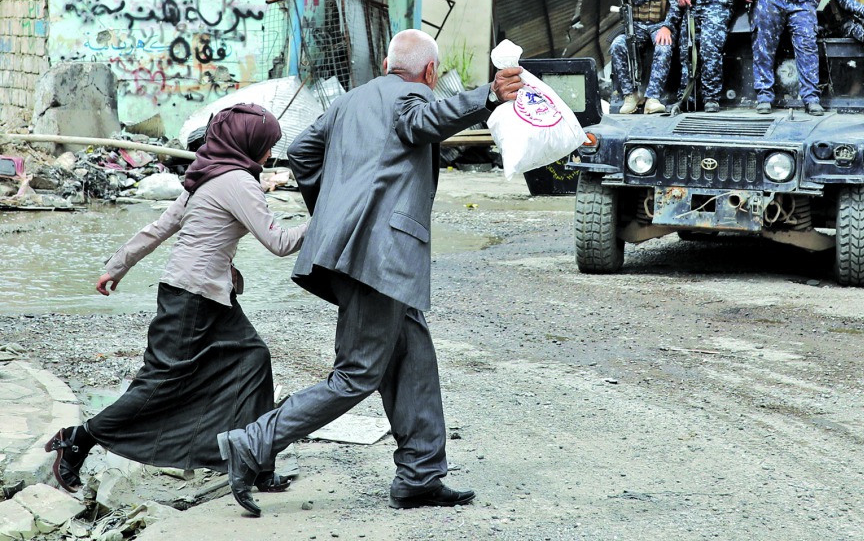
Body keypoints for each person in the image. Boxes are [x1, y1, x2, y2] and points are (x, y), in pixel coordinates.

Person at [217, 30, 523, 517]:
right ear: (428, 73)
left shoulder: (347, 103)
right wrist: (486, 95)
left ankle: (421, 474)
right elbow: (426, 119)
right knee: (357, 373)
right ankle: (251, 443)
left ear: (385, 63)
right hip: (380, 259)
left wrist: (334, 213)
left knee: (414, 355)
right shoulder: (412, 96)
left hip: (357, 255)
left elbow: (301, 153)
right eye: (432, 77)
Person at [44, 104, 306, 495]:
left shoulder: (208, 174)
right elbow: (280, 243)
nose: (270, 153)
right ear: (248, 144)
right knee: (158, 386)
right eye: (267, 145)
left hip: (209, 295)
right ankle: (78, 439)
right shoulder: (237, 181)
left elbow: (160, 227)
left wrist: (117, 266)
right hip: (192, 300)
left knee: (253, 358)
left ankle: (255, 463)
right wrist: (329, 218)